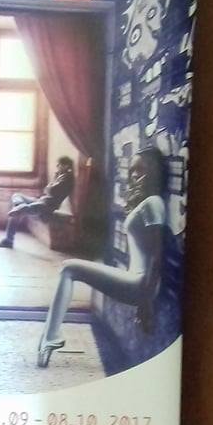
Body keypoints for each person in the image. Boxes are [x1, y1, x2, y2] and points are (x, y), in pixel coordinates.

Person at [38, 147, 168, 367]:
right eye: (133, 171)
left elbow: (157, 254)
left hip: (141, 283)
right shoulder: (149, 203)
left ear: (155, 171)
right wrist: (144, 299)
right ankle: (50, 338)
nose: (135, 176)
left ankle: (51, 338)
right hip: (138, 282)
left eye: (141, 170)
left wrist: (145, 301)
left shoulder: (154, 203)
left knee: (69, 269)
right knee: (69, 269)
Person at [0, 156, 76, 249]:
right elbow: (48, 190)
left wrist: (50, 186)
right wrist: (51, 184)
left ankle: (8, 240)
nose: (57, 166)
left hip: (47, 205)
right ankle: (20, 206)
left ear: (66, 166)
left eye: (59, 165)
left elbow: (51, 190)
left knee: (18, 212)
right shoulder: (60, 176)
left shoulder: (67, 178)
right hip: (41, 200)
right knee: (17, 196)